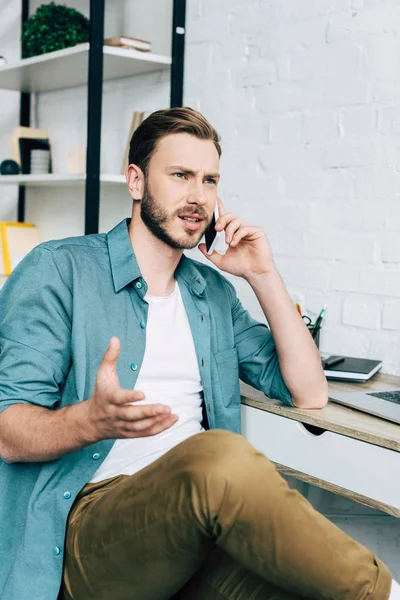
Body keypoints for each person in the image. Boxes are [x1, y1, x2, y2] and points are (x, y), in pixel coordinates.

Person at [0, 107, 397, 600]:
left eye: (209, 180)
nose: (198, 197)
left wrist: (261, 274)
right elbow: (7, 431)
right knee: (220, 457)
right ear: (137, 182)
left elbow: (310, 391)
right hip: (91, 531)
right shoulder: (60, 271)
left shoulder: (210, 292)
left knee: (302, 587)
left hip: (198, 528)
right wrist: (92, 422)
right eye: (181, 175)